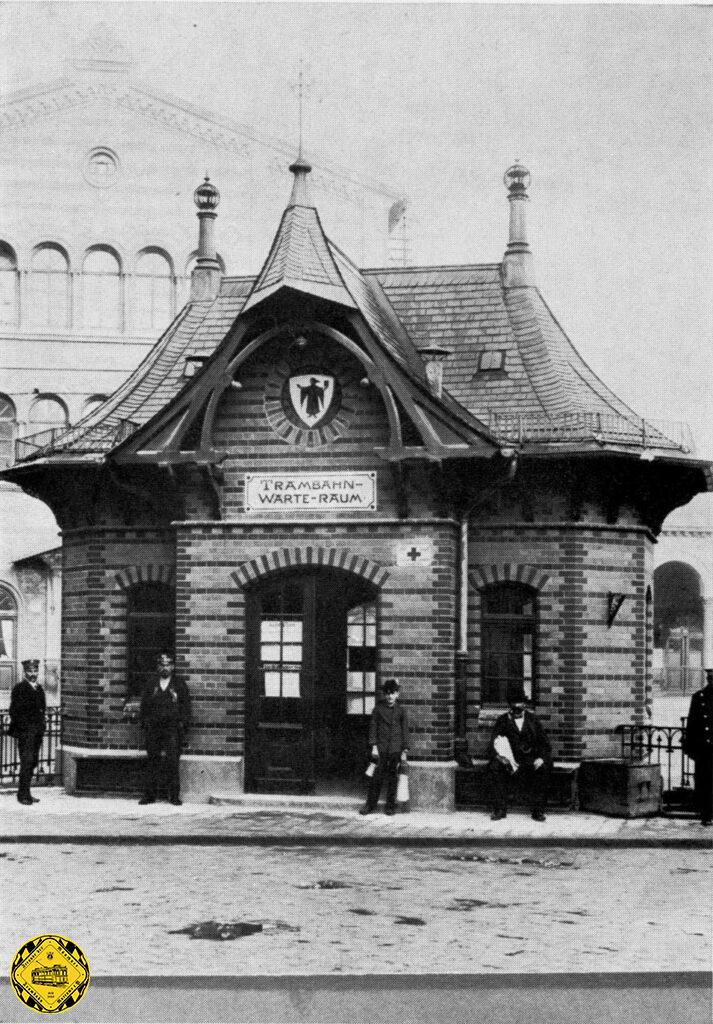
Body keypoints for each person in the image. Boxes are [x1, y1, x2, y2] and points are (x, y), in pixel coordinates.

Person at [485, 689, 551, 822]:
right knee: (494, 767)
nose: (517, 710)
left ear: (525, 706)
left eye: (520, 706)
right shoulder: (503, 720)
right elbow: (492, 745)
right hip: (509, 761)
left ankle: (538, 810)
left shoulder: (533, 721)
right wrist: (500, 758)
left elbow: (545, 744)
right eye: (514, 706)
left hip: (529, 760)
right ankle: (500, 809)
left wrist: (540, 758)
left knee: (543, 767)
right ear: (510, 706)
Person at [139, 652, 190, 806]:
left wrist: (182, 726)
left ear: (173, 666)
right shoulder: (151, 684)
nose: (165, 667)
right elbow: (144, 706)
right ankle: (149, 795)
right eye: (162, 664)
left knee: (172, 761)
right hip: (154, 728)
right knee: (152, 761)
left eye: (168, 664)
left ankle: (174, 796)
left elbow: (186, 707)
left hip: (172, 729)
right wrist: (145, 723)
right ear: (157, 667)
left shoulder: (179, 684)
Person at [360, 678, 409, 816]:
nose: (390, 696)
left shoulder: (401, 711)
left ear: (397, 694)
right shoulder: (378, 709)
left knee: (393, 777)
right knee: (377, 777)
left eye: (393, 693)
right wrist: (374, 745)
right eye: (387, 693)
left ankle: (390, 806)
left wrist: (405, 748)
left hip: (395, 749)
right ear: (384, 694)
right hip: (381, 748)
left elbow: (404, 730)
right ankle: (370, 805)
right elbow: (373, 728)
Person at [8, 658, 46, 805]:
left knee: (33, 762)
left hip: (37, 732)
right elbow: (14, 711)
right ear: (24, 672)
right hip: (26, 733)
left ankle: (27, 793)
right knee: (27, 762)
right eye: (30, 671)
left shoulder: (39, 688)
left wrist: (41, 727)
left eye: (35, 670)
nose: (33, 674)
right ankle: (22, 795)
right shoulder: (20, 689)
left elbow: (42, 709)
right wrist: (25, 728)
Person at [683, 668, 713, 826]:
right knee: (704, 782)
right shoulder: (698, 697)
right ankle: (706, 814)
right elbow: (692, 725)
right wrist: (691, 749)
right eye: (710, 678)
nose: (711, 681)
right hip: (705, 751)